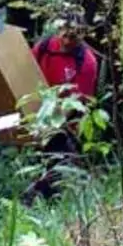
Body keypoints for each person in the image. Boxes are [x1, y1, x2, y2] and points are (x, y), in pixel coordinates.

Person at [23, 11, 99, 205]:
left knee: (58, 162)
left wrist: (54, 124)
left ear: (82, 34)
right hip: (37, 110)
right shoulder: (45, 47)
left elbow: (80, 101)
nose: (66, 41)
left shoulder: (87, 62)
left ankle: (44, 201)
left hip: (65, 120)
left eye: (73, 37)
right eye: (63, 35)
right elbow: (24, 72)